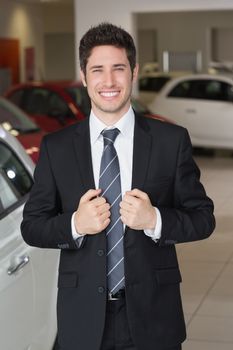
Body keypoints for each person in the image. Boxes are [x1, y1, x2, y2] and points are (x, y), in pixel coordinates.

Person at [21, 22, 215, 350]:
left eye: (118, 68)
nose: (109, 81)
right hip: (82, 315)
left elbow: (203, 218)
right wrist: (74, 225)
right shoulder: (57, 147)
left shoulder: (171, 141)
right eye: (97, 69)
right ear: (84, 76)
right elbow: (32, 227)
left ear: (134, 72)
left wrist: (155, 220)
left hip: (154, 315)